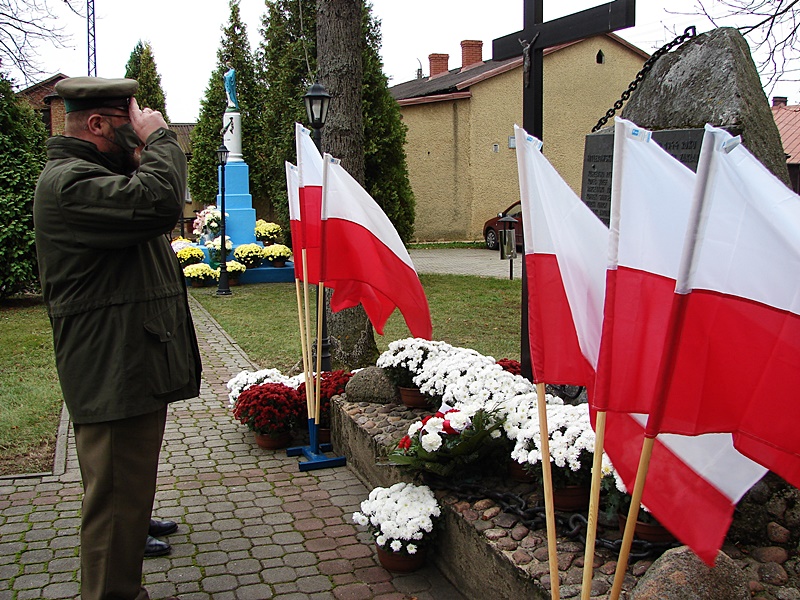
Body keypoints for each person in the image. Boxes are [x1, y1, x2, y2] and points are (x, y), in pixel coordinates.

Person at [34, 76, 202, 600]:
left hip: (126, 364)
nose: (138, 135)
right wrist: (160, 140)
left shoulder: (92, 175)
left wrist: (137, 152)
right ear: (97, 124)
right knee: (112, 511)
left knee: (125, 497)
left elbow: (145, 204)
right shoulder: (70, 184)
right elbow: (157, 202)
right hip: (112, 370)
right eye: (128, 126)